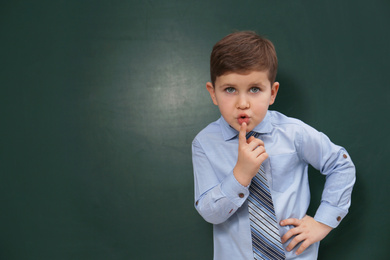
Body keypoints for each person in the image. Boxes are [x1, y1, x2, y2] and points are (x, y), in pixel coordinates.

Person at [192, 31, 356, 260]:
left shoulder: (293, 133)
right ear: (213, 93)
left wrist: (323, 221)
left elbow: (341, 164)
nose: (242, 103)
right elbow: (210, 212)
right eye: (230, 89)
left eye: (255, 89)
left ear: (273, 92)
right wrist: (240, 175)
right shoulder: (204, 143)